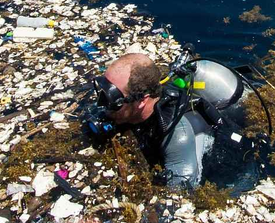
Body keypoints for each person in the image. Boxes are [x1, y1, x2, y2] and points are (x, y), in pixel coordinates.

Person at [95, 52, 250, 189]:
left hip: (226, 160)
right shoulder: (137, 99)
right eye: (102, 91)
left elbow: (183, 189)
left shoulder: (176, 134)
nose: (102, 105)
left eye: (113, 99)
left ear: (142, 101)